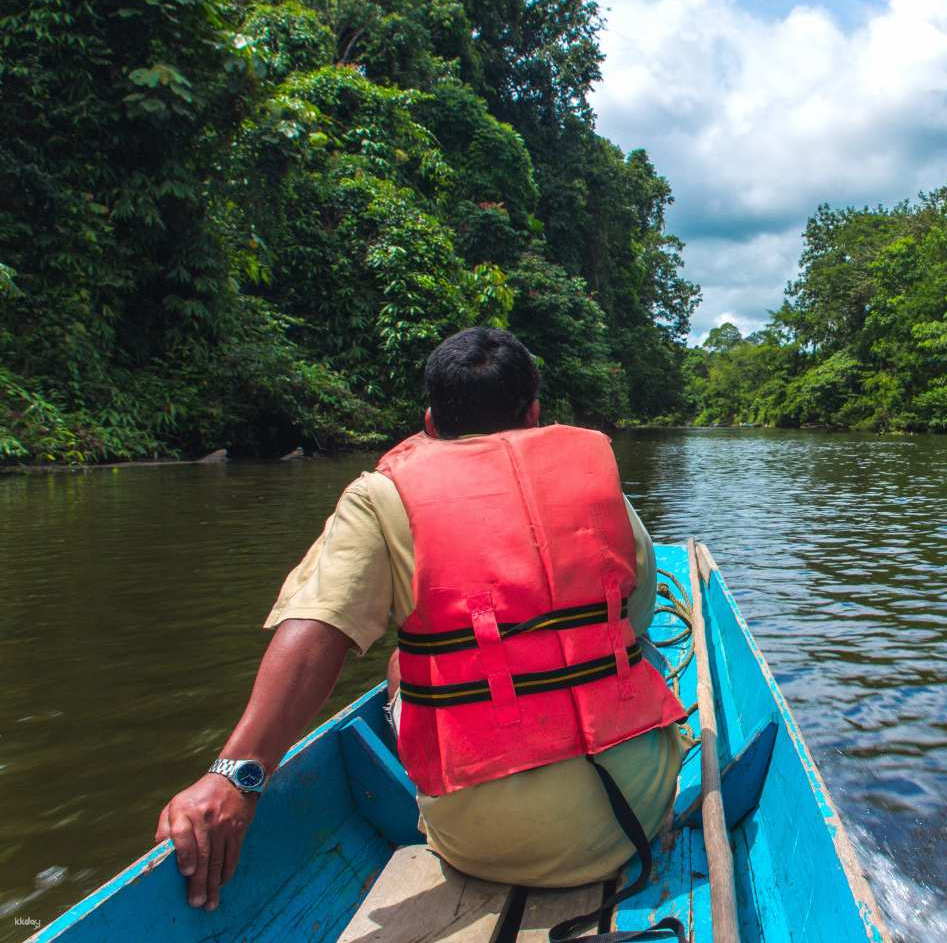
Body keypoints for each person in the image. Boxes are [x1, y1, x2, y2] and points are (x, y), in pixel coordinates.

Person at [154, 327, 691, 915]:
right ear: (535, 413)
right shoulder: (597, 477)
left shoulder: (381, 495)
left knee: (400, 662)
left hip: (481, 843)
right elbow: (635, 619)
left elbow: (319, 626)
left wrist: (237, 775)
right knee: (631, 649)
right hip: (633, 815)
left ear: (430, 422)